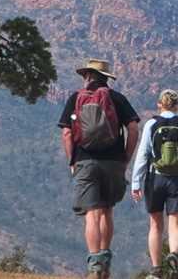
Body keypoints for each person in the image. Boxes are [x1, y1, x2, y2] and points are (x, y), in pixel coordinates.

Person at [58, 59, 140, 279]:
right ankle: (105, 264)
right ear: (106, 78)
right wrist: (126, 158)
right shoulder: (116, 98)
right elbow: (133, 129)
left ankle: (94, 266)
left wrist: (72, 161)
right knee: (107, 209)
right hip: (114, 162)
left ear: (87, 76)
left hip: (85, 161)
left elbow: (66, 133)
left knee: (92, 214)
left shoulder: (76, 98)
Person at [131, 89, 178, 279]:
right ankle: (174, 259)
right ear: (177, 105)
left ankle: (156, 270)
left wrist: (136, 183)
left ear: (159, 104)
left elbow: (143, 155)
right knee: (176, 225)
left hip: (155, 178)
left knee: (155, 224)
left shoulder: (151, 124)